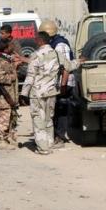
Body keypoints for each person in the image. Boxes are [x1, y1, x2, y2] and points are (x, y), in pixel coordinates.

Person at [20, 31, 79, 155]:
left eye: (36, 39)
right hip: (52, 92)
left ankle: (43, 148)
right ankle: (49, 143)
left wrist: (23, 94)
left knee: (38, 119)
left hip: (37, 93)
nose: (35, 41)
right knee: (48, 119)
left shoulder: (35, 55)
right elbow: (69, 66)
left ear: (40, 40)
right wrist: (80, 61)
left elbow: (30, 76)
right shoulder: (56, 54)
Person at [38, 19, 76, 148]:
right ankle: (54, 136)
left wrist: (63, 85)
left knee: (61, 109)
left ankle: (59, 137)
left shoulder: (60, 45)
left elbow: (66, 66)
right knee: (54, 110)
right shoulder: (53, 44)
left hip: (63, 83)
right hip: (56, 83)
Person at [0, 39, 20, 149]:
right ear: (6, 47)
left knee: (10, 116)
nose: (13, 46)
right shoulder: (1, 60)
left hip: (9, 94)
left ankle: (8, 138)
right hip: (3, 95)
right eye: (11, 45)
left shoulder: (6, 58)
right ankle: (1, 140)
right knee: (3, 116)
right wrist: (12, 77)